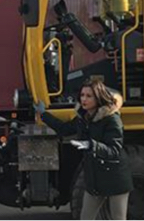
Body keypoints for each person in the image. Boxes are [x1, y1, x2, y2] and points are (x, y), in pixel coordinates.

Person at [36, 79, 133, 220]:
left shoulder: (111, 119)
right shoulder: (83, 118)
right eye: (82, 95)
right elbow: (64, 129)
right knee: (85, 218)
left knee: (118, 218)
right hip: (94, 178)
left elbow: (114, 150)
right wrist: (43, 114)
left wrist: (90, 145)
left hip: (115, 178)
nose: (84, 99)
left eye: (89, 96)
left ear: (98, 97)